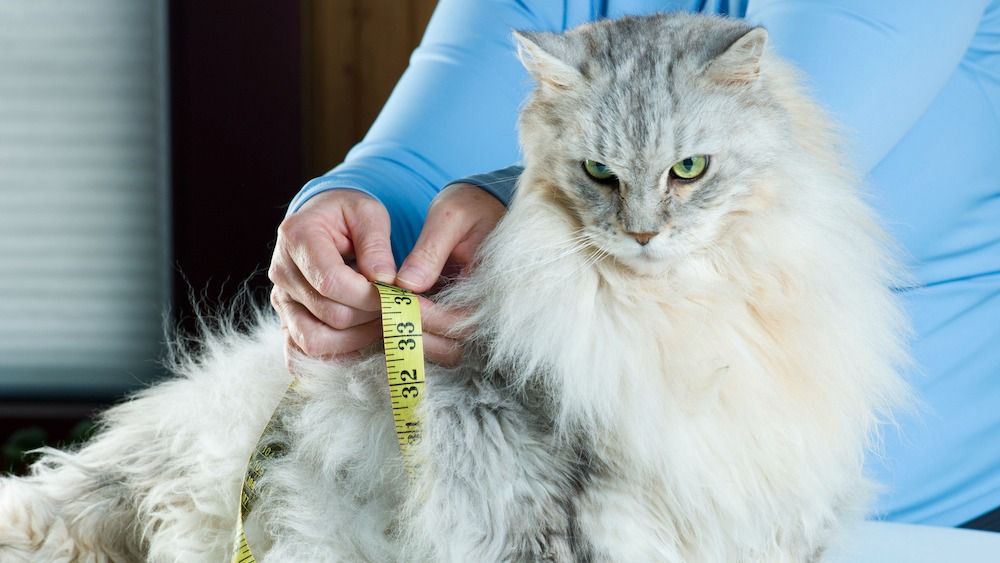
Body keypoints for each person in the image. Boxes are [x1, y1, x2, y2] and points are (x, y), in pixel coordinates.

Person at [267, 0, 1000, 530]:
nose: (644, 226)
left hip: (924, 522)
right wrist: (342, 210)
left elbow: (790, 130)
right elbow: (421, 150)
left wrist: (525, 192)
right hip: (621, 502)